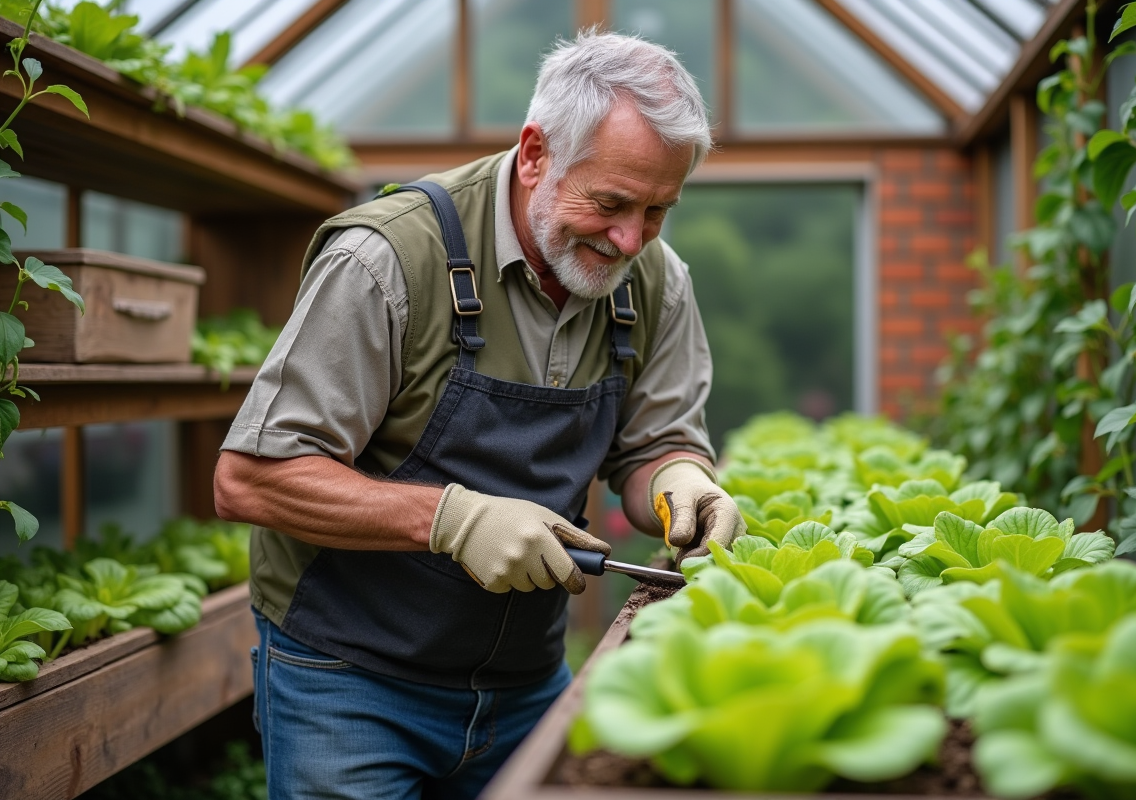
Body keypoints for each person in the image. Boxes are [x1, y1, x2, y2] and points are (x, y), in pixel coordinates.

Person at [213, 28, 744, 800]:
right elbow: (252, 480)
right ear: (534, 154)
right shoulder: (388, 260)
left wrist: (683, 481)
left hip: (527, 686)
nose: (631, 237)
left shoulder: (653, 281)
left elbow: (654, 442)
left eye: (659, 209)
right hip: (349, 684)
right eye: (611, 203)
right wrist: (453, 521)